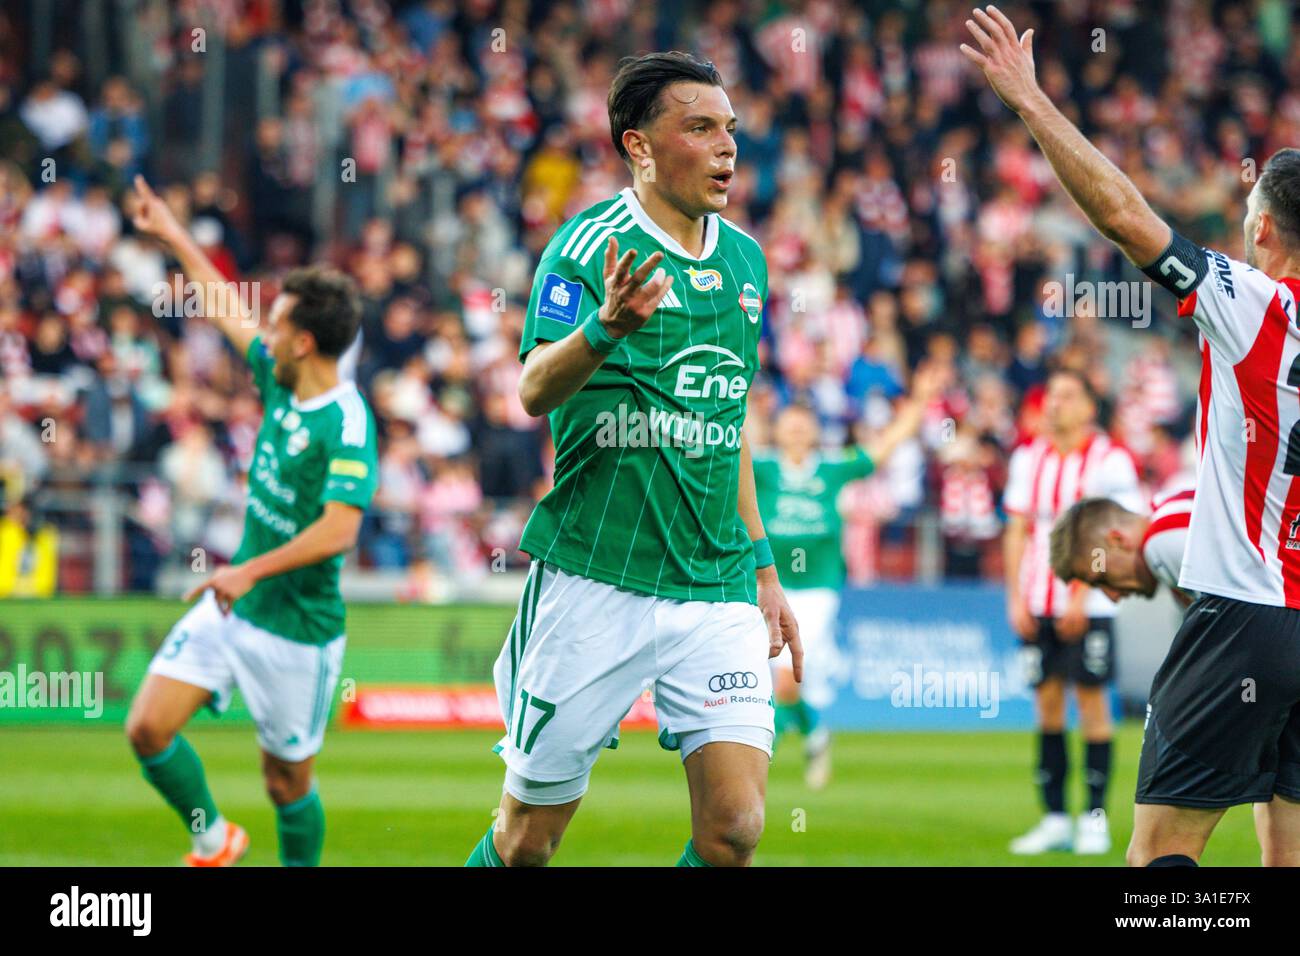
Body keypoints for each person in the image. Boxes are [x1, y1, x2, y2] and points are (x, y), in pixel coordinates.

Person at [964, 4, 1300, 866]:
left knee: (1157, 862)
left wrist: (1032, 105)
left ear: (1261, 231)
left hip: (1249, 607)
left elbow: (1124, 216)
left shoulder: (1255, 302)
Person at [464, 52, 801, 868]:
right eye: (699, 128)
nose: (726, 148)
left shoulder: (746, 264)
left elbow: (731, 418)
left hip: (714, 582)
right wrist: (606, 327)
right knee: (525, 844)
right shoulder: (587, 248)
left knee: (736, 831)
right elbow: (534, 389)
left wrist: (762, 568)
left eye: (730, 129)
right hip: (596, 578)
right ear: (638, 146)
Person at [123, 176, 378, 867]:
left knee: (285, 782)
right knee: (146, 727)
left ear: (303, 343)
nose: (261, 330)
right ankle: (213, 839)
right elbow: (224, 306)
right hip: (235, 603)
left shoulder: (346, 422)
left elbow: (339, 533)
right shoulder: (278, 374)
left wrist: (248, 569)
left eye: (277, 322)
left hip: (297, 630)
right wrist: (171, 231)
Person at [753, 366, 940, 788]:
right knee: (784, 682)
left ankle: (760, 757)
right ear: (778, 431)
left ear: (815, 433)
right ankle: (816, 735)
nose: (797, 433)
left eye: (805, 427)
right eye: (790, 426)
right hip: (768, 588)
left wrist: (921, 402)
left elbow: (886, 446)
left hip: (818, 590)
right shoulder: (760, 468)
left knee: (784, 677)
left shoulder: (831, 470)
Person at [1002, 368, 1143, 855]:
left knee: (1091, 702)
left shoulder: (1111, 459)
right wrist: (1015, 596)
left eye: (1066, 395)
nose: (1054, 404)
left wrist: (1082, 593)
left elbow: (1115, 531)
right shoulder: (1028, 456)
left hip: (1094, 602)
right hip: (1037, 602)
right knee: (1045, 703)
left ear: (1088, 405)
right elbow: (1018, 529)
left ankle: (1096, 818)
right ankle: (1056, 817)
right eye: (1050, 396)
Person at [1049, 475, 1196, 607]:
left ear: (1117, 540)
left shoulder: (1162, 540)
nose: (1113, 597)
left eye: (1102, 579)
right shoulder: (1168, 511)